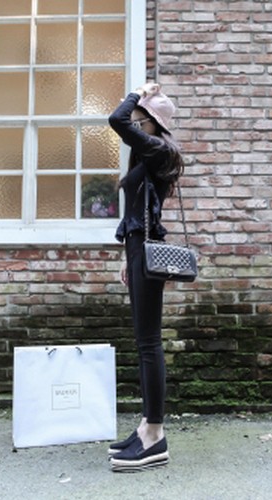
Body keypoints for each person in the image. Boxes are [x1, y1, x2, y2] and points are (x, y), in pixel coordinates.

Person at [107, 82, 184, 472]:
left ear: (154, 121)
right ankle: (145, 428)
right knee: (143, 343)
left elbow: (115, 119)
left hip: (147, 251)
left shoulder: (158, 150)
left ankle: (155, 435)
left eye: (141, 119)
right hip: (138, 250)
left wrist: (137, 93)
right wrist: (127, 254)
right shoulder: (146, 152)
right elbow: (137, 210)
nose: (134, 124)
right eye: (136, 119)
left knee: (150, 343)